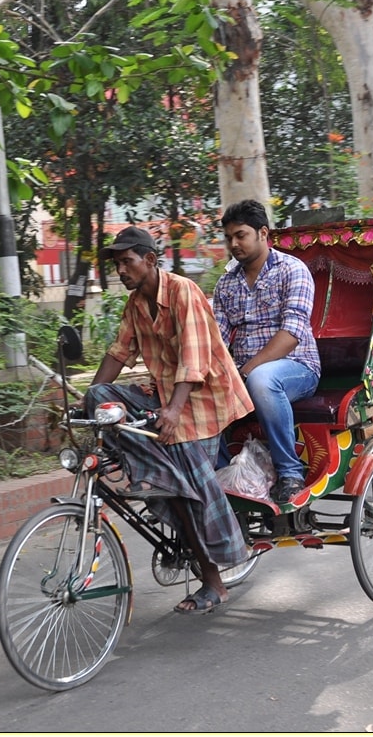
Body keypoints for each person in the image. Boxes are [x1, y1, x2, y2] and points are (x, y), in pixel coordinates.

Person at [85, 225, 254, 615]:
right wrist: (85, 407)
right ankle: (158, 473)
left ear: (149, 260)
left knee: (183, 487)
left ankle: (214, 581)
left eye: (126, 262)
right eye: (116, 264)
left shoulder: (183, 292)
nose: (121, 271)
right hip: (168, 399)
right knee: (98, 398)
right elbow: (117, 354)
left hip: (205, 401)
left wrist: (174, 410)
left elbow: (194, 361)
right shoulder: (134, 305)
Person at [211, 199, 321, 505]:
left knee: (261, 379)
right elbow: (216, 340)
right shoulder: (226, 285)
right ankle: (223, 476)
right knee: (201, 390)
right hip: (245, 371)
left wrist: (243, 373)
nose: (234, 244)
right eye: (229, 237)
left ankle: (290, 473)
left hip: (296, 368)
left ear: (262, 233)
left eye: (240, 235)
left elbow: (291, 335)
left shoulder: (292, 270)